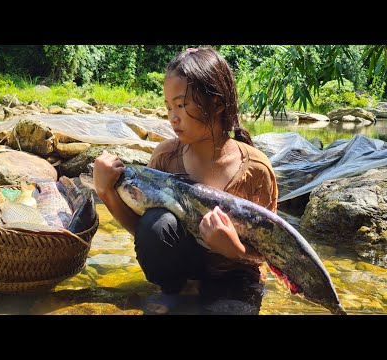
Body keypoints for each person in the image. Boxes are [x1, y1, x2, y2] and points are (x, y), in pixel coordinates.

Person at [93, 47, 278, 315]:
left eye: (181, 105)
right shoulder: (166, 157)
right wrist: (105, 190)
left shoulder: (256, 169)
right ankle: (174, 289)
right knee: (157, 222)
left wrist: (233, 248)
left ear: (217, 104)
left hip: (234, 274)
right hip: (181, 269)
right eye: (169, 106)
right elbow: (144, 231)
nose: (173, 116)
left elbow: (270, 254)